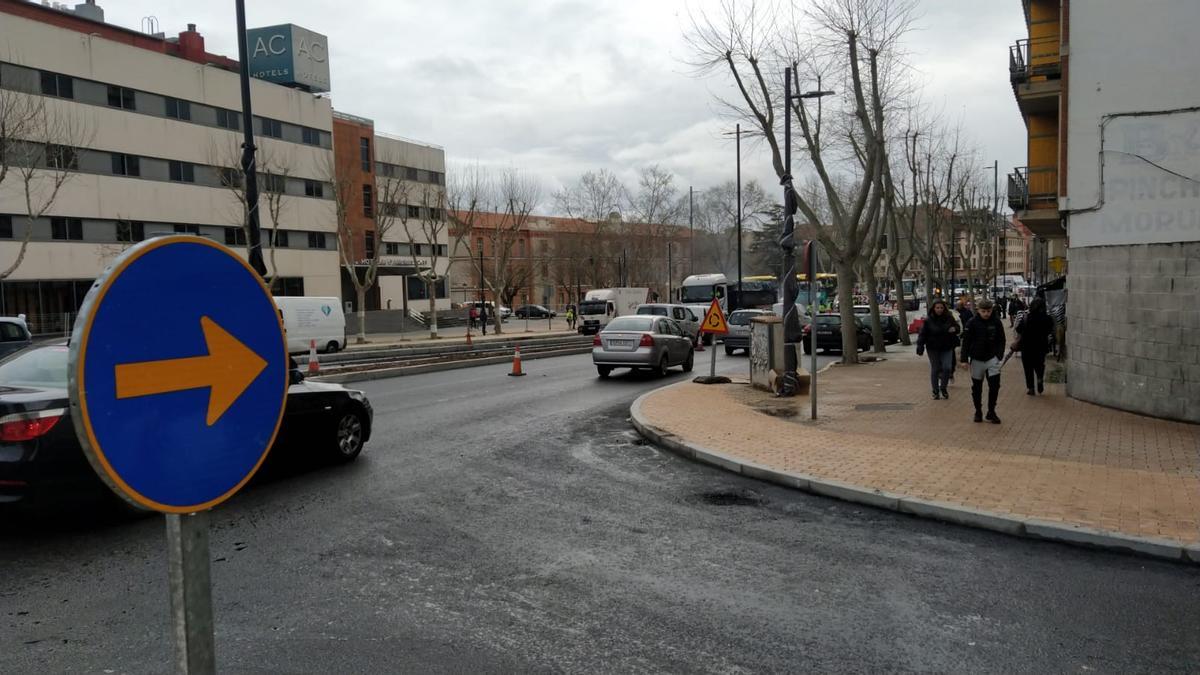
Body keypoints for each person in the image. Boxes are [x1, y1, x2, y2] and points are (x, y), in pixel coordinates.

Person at [960, 298, 1007, 424]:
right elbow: (966, 342)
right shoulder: (971, 323)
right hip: (976, 359)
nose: (986, 313)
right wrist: (964, 359)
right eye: (983, 311)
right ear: (978, 310)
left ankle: (991, 411)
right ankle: (978, 411)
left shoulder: (996, 322)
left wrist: (999, 356)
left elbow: (1001, 340)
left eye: (988, 311)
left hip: (992, 359)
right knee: (977, 388)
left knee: (994, 386)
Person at [915, 298, 959, 400]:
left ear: (944, 309)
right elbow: (922, 334)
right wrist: (920, 346)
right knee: (935, 368)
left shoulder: (949, 318)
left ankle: (943, 388)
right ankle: (935, 390)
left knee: (947, 367)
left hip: (947, 346)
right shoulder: (928, 320)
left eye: (941, 308)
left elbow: (957, 327)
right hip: (933, 348)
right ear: (933, 308)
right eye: (937, 308)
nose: (939, 310)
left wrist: (955, 329)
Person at [1015, 297, 1055, 395]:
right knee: (1040, 365)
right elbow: (1050, 331)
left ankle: (1031, 388)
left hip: (1026, 346)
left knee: (1028, 367)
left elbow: (1018, 329)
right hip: (1041, 347)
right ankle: (1040, 378)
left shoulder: (1026, 317)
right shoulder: (1048, 318)